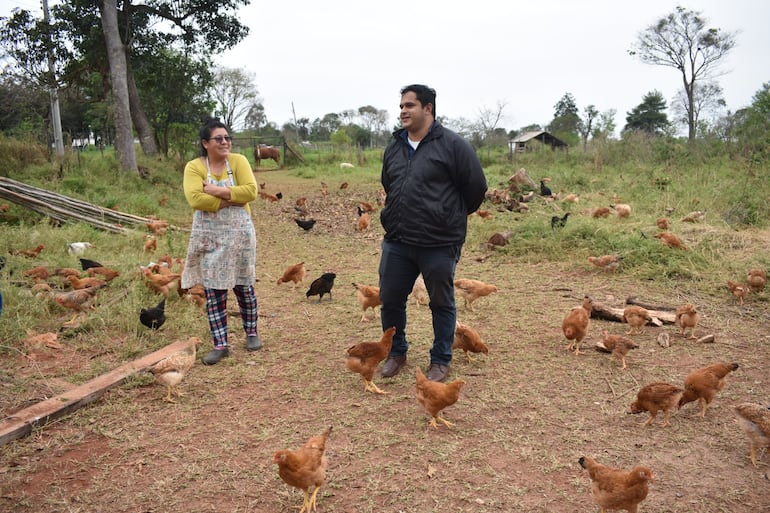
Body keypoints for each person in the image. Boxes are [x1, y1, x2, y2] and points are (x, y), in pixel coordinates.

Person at [378, 84, 488, 382]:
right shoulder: (395, 146)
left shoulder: (453, 145)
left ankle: (440, 359)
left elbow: (476, 188)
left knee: (441, 302)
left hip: (439, 243)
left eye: (409, 105)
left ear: (428, 108)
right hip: (398, 240)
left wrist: (447, 216)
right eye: (401, 105)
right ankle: (395, 352)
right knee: (390, 299)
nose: (403, 111)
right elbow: (390, 183)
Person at [181, 118, 263, 365]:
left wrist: (216, 191)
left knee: (243, 286)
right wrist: (231, 198)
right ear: (206, 143)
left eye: (227, 138)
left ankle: (252, 333)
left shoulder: (238, 161)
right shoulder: (194, 167)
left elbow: (251, 192)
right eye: (219, 139)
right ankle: (220, 344)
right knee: (214, 290)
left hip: (240, 234)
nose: (225, 142)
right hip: (210, 237)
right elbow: (195, 199)